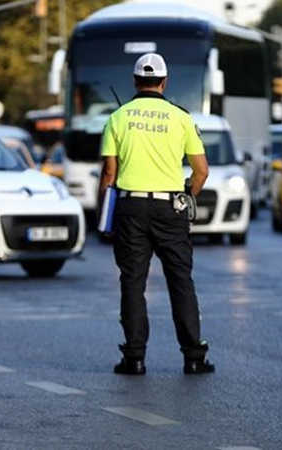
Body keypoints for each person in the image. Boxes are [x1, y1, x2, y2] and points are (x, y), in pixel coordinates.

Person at [99, 53, 214, 375]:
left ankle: (134, 358)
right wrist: (185, 197)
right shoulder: (181, 118)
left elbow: (110, 173)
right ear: (164, 82)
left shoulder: (118, 117)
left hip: (130, 208)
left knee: (133, 282)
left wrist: (104, 217)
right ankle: (194, 356)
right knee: (180, 280)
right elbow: (201, 171)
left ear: (135, 81)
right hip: (169, 208)